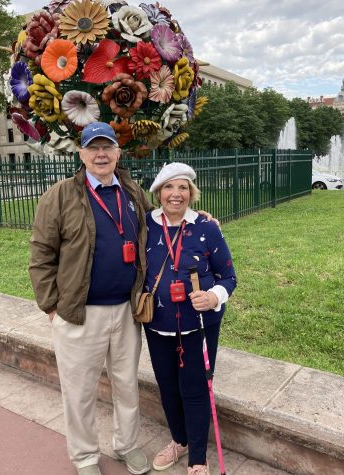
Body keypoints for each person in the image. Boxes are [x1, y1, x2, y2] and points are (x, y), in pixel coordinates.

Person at [28, 122, 153, 475]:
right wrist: (52, 307)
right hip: (80, 314)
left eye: (107, 147)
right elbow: (41, 254)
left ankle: (127, 445)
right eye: (93, 148)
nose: (101, 154)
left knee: (127, 386)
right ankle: (84, 457)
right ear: (81, 154)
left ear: (117, 153)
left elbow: (158, 226)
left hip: (128, 312)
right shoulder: (61, 195)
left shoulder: (131, 191)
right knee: (80, 392)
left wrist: (196, 219)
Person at [143, 163, 237, 475]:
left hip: (198, 327)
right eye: (169, 187)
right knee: (167, 387)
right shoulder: (145, 225)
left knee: (195, 390)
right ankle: (179, 441)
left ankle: (198, 458)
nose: (176, 194)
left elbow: (229, 277)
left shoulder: (206, 228)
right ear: (159, 193)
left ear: (191, 194)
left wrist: (214, 297)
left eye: (183, 188)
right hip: (157, 325)